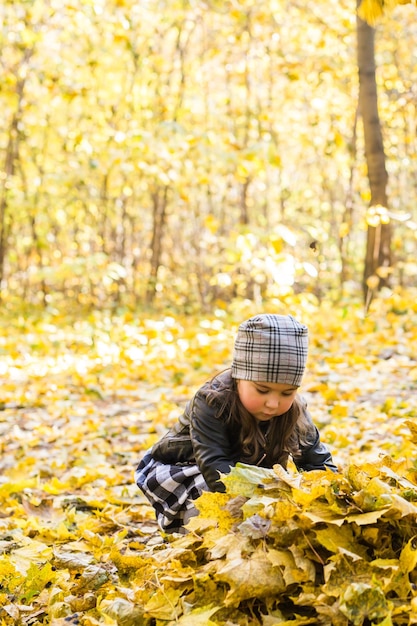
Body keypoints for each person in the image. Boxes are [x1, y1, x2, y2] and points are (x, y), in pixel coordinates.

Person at [135, 313, 337, 534]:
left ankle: (254, 525)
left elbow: (317, 462)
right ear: (239, 376)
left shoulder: (295, 411)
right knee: (212, 494)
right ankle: (197, 530)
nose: (272, 403)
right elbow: (215, 467)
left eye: (287, 393)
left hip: (247, 479)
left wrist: (330, 495)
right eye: (262, 390)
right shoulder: (211, 401)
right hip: (189, 472)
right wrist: (265, 499)